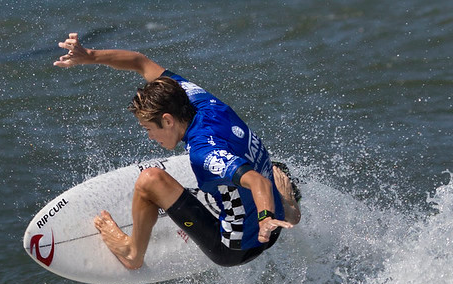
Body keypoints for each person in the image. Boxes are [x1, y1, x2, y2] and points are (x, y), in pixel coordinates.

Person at [54, 32, 301, 270]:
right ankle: (286, 207)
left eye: (149, 128)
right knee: (271, 168)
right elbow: (140, 62)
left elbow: (257, 182)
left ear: (168, 120)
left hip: (235, 247)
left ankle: (132, 253)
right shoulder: (198, 98)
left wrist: (264, 218)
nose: (150, 136)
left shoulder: (204, 153)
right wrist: (90, 55)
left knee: (150, 179)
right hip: (273, 226)